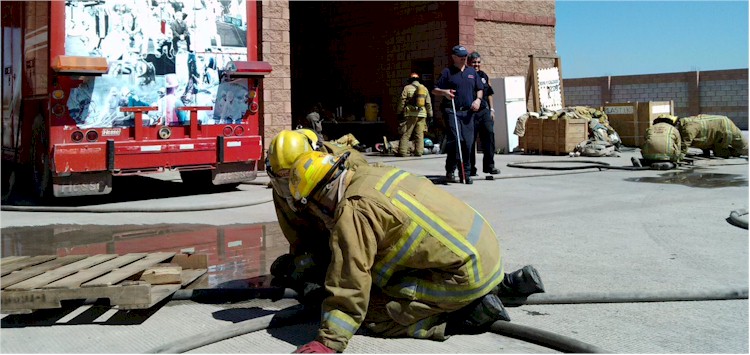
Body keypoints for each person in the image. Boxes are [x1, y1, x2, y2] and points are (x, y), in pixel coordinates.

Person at [286, 151, 545, 353]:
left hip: (464, 275)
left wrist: (329, 341)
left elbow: (350, 280)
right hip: (487, 254)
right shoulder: (374, 174)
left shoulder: (353, 211)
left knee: (376, 313)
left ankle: (464, 316)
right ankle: (504, 286)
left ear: (318, 200)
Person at [265, 129, 370, 307]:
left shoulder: (351, 163)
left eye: (294, 176)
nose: (290, 187)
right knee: (293, 268)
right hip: (322, 234)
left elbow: (362, 224)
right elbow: (295, 231)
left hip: (352, 233)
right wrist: (304, 264)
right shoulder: (280, 187)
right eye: (284, 180)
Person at [432, 45, 484, 184]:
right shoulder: (447, 72)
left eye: (465, 57)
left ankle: (465, 174)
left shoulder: (472, 72)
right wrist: (445, 93)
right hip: (452, 111)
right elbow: (435, 89)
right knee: (456, 140)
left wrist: (478, 100)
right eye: (461, 57)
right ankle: (451, 169)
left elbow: (480, 89)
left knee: (467, 143)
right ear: (454, 57)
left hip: (468, 113)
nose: (463, 59)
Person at [467, 52, 500, 175]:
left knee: (489, 135)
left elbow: (489, 93)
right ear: (469, 63)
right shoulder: (466, 75)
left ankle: (489, 166)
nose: (476, 65)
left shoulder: (483, 76)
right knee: (470, 141)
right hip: (470, 113)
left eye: (478, 62)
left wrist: (492, 110)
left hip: (484, 111)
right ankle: (471, 168)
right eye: (474, 62)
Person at [677, 114, 748, 158]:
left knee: (722, 153)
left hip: (724, 129)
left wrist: (677, 158)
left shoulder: (688, 129)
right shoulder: (688, 122)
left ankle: (736, 152)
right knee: (743, 145)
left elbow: (684, 146)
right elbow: (706, 137)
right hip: (722, 124)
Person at [396, 73, 433, 157]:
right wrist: (430, 115)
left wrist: (399, 112)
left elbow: (402, 101)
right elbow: (428, 103)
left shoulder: (407, 88)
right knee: (420, 134)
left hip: (410, 113)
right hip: (422, 114)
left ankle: (402, 152)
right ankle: (419, 152)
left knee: (406, 133)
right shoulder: (424, 89)